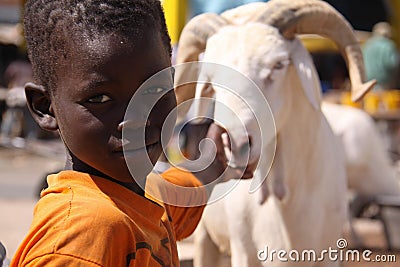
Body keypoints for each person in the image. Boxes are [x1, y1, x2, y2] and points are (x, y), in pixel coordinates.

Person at [11, 1, 253, 266]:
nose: (137, 119)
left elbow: (172, 201)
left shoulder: (136, 195)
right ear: (45, 108)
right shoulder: (84, 236)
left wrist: (214, 163)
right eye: (100, 98)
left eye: (153, 91)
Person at [363, 21, 400, 90]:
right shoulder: (388, 45)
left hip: (367, 82)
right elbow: (392, 64)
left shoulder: (367, 45)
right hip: (383, 83)